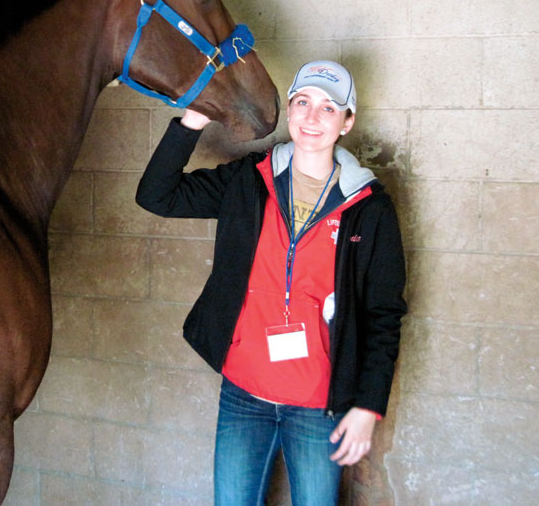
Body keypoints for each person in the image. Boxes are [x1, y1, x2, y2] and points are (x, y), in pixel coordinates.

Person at [136, 60, 407, 506]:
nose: (312, 118)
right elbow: (156, 195)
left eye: (328, 108)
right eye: (303, 103)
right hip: (244, 393)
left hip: (320, 403)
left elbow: (383, 314)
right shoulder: (250, 179)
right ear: (289, 108)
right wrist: (194, 119)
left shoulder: (369, 207)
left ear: (347, 121)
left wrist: (366, 407)